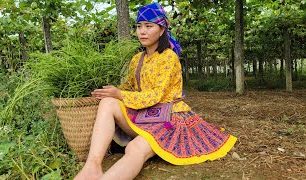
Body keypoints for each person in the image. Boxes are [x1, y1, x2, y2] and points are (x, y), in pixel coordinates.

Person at [74, 2, 237, 180]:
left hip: (167, 117)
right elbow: (128, 87)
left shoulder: (168, 57)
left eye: (148, 26)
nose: (142, 31)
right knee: (107, 102)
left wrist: (120, 95)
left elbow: (156, 95)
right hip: (143, 115)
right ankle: (93, 166)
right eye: (138, 26)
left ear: (161, 30)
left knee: (134, 148)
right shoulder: (137, 58)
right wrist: (107, 92)